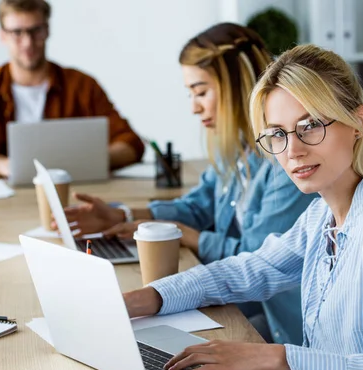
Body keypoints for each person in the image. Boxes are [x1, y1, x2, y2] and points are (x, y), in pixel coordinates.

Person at [121, 44, 363, 370]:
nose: (292, 151)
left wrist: (277, 358)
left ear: (359, 121)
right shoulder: (322, 215)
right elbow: (252, 270)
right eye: (278, 134)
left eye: (310, 126)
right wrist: (146, 298)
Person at [57, 23, 317, 344]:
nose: (194, 107)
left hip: (282, 323)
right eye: (190, 93)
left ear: (237, 86)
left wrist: (192, 237)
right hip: (250, 307)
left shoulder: (287, 163)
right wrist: (122, 215)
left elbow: (260, 261)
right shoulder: (234, 149)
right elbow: (196, 206)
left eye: (201, 91)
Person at [0, 0, 144, 176]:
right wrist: (6, 166)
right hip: (1, 205)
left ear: (47, 30)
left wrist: (84, 162)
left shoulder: (82, 85)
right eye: (17, 32)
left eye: (36, 31)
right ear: (2, 36)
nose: (27, 42)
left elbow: (130, 143)